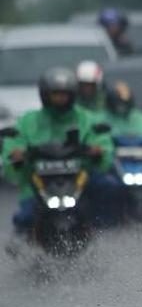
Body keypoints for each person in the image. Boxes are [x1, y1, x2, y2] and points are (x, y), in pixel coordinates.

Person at [2, 67, 116, 235]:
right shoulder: (28, 121)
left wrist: (97, 151)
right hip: (39, 185)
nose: (60, 98)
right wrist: (16, 155)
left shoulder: (86, 118)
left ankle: (108, 240)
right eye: (55, 94)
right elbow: (13, 145)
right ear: (45, 95)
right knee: (24, 218)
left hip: (79, 183)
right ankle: (23, 253)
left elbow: (101, 141)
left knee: (108, 194)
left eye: (64, 94)